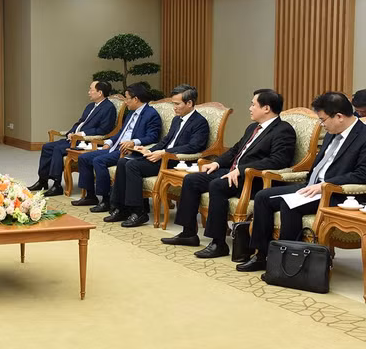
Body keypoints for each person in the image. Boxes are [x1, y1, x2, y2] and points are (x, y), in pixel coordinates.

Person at [161, 89, 296, 259]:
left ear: (266, 108)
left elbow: (277, 161)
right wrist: (216, 163)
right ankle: (188, 233)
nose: (250, 108)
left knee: (217, 185)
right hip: (233, 173)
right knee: (192, 179)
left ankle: (218, 243)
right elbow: (234, 151)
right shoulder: (253, 127)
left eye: (253, 104)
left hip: (253, 180)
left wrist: (240, 170)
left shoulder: (283, 130)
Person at [240, 92, 366, 271]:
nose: (321, 126)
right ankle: (262, 255)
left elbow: (361, 175)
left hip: (338, 194)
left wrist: (323, 186)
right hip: (311, 187)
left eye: (323, 120)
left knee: (289, 204)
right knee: (262, 197)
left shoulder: (363, 136)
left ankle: (288, 265)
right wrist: (313, 184)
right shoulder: (333, 131)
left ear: (339, 117)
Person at [106, 84, 210, 228]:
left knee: (132, 165)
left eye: (177, 104)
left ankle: (138, 212)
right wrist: (150, 150)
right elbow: (166, 141)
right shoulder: (177, 119)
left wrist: (164, 153)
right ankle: (121, 208)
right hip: (162, 157)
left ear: (190, 103)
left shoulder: (200, 122)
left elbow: (193, 147)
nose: (174, 107)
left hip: (177, 161)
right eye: (173, 103)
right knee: (124, 162)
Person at [72, 82, 161, 212]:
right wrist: (109, 141)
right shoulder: (131, 112)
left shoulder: (151, 114)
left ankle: (106, 200)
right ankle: (90, 196)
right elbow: (121, 133)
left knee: (99, 160)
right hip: (116, 147)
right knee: (84, 158)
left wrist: (134, 142)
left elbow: (153, 137)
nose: (125, 102)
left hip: (127, 150)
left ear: (136, 99)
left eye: (127, 98)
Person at [28, 81, 117, 197]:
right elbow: (80, 122)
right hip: (75, 138)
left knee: (58, 149)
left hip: (87, 141)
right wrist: (72, 132)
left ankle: (57, 185)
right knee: (47, 147)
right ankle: (42, 181)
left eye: (91, 90)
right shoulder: (90, 106)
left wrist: (82, 134)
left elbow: (104, 130)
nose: (88, 92)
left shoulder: (108, 108)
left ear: (100, 93)